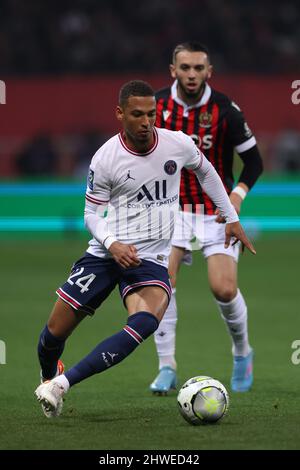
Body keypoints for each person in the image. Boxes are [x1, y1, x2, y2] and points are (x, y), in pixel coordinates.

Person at [34, 80, 255, 418]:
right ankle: (48, 375)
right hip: (104, 255)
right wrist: (113, 243)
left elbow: (206, 171)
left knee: (147, 320)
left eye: (152, 114)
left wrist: (230, 216)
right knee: (52, 335)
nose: (146, 121)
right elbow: (91, 213)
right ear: (120, 113)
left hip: (150, 258)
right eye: (137, 114)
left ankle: (62, 385)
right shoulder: (106, 158)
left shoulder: (176, 144)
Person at [150, 42, 263, 394]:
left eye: (199, 68)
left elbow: (255, 162)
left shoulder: (226, 110)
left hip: (214, 213)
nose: (192, 74)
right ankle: (166, 366)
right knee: (160, 289)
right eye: (185, 68)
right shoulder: (155, 107)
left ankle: (243, 353)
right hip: (168, 212)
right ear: (173, 71)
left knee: (224, 289)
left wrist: (236, 197)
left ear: (209, 71)